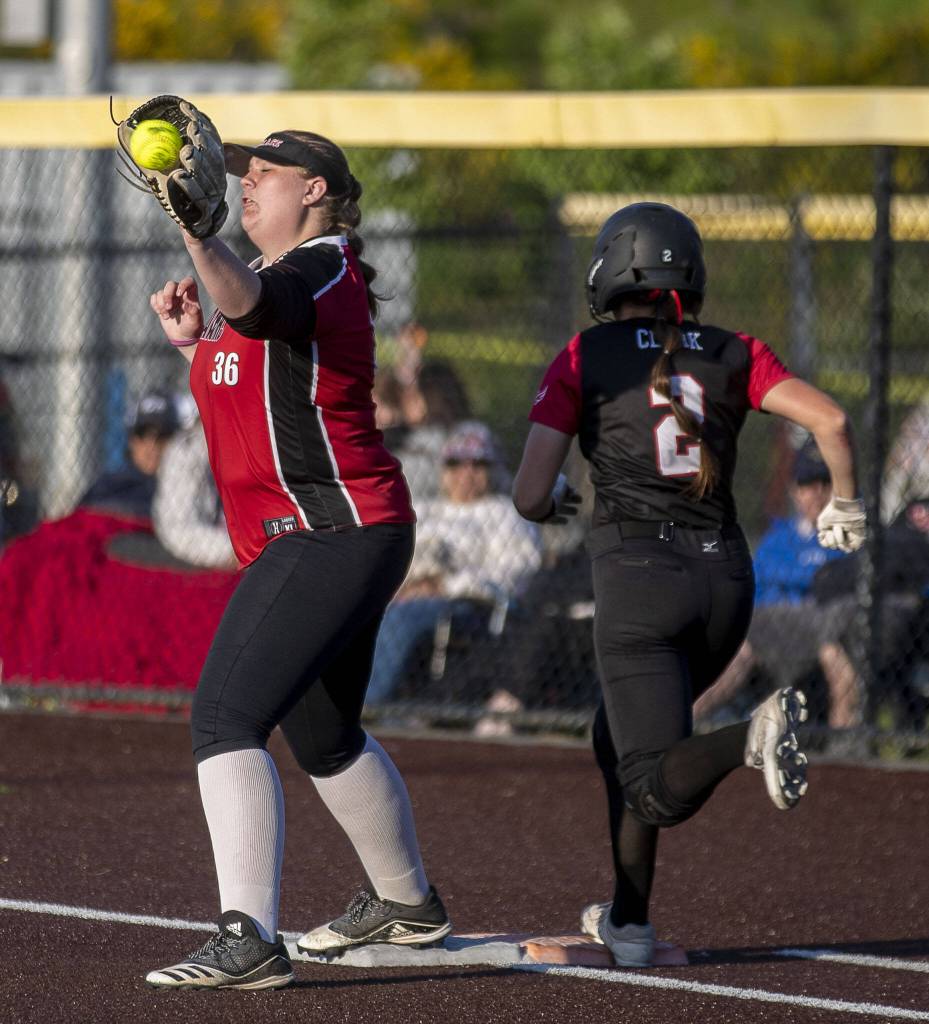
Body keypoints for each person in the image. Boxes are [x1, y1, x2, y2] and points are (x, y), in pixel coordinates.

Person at [512, 202, 865, 968]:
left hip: (640, 579)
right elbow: (831, 421)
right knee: (619, 738)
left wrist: (550, 504)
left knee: (648, 782)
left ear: (613, 269)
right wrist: (845, 503)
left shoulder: (585, 353)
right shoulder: (735, 350)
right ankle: (630, 923)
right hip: (725, 581)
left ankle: (749, 737)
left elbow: (528, 492)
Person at [144, 129, 450, 991]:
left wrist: (198, 237)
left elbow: (255, 309)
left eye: (263, 175)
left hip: (330, 532)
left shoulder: (319, 268)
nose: (244, 186)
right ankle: (406, 904)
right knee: (322, 735)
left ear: (315, 190)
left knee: (223, 721)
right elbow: (250, 372)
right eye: (243, 175)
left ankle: (247, 938)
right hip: (342, 532)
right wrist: (192, 345)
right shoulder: (282, 282)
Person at [365, 420, 542, 705]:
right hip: (400, 593)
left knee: (398, 618)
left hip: (465, 605)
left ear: (493, 468)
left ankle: (368, 705)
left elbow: (512, 577)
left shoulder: (504, 514)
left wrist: (444, 585)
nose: (466, 472)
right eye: (455, 463)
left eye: (478, 463)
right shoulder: (421, 509)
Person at [693, 440, 854, 728]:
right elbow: (756, 589)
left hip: (822, 632)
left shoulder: (848, 536)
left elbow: (836, 591)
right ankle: (683, 725)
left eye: (825, 483)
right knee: (738, 651)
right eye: (807, 484)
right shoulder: (777, 539)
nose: (816, 493)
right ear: (794, 490)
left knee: (837, 660)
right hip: (768, 630)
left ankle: (843, 746)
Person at [78, 389, 180, 520]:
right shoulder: (109, 487)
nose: (152, 445)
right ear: (131, 440)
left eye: (163, 435)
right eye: (142, 434)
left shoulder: (187, 488)